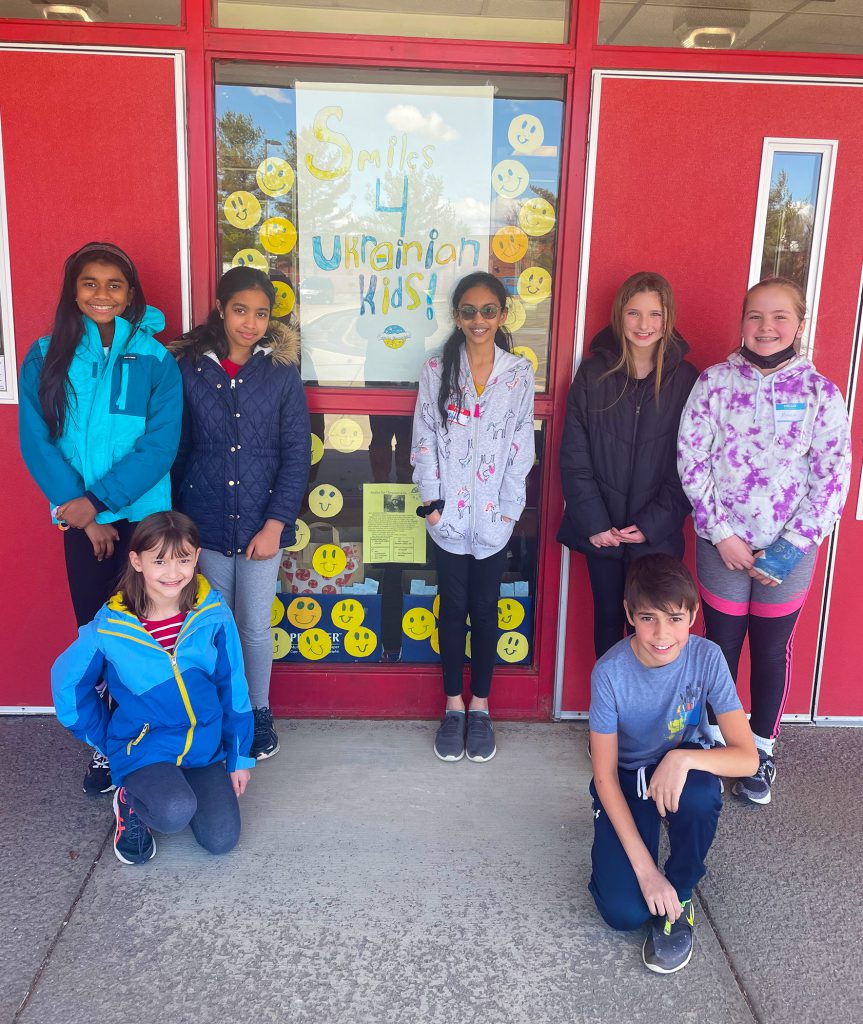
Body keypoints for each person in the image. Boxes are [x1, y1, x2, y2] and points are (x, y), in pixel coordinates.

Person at [677, 276, 851, 805]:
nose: (766, 327)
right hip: (721, 545)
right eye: (755, 315)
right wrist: (723, 534)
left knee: (771, 650)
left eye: (779, 317)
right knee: (721, 645)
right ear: (742, 322)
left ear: (800, 324)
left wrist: (788, 546)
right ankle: (711, 740)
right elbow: (691, 458)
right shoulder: (713, 383)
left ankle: (760, 747)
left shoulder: (821, 393)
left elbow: (834, 475)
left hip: (789, 552)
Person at [18, 241, 182, 795]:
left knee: (150, 633)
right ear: (73, 290)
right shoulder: (45, 356)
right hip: (82, 524)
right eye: (90, 283)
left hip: (145, 523)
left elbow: (159, 447)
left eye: (114, 284)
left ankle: (147, 738)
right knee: (97, 633)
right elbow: (38, 444)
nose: (102, 294)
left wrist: (102, 503)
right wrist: (85, 516)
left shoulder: (156, 360)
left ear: (131, 294)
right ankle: (106, 748)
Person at [51, 512, 255, 865]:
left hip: (203, 748)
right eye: (159, 561)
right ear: (137, 561)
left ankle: (176, 787)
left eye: (183, 559)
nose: (172, 572)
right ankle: (129, 802)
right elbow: (67, 684)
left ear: (196, 558)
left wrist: (239, 756)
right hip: (146, 748)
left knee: (221, 840)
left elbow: (233, 685)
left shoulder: (213, 613)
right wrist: (109, 740)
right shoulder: (111, 627)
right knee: (174, 812)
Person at [589, 554, 758, 974]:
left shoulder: (708, 657)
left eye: (675, 618)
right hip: (627, 779)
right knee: (624, 913)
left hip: (678, 768)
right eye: (647, 618)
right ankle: (644, 869)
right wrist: (646, 872)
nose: (662, 635)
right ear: (629, 614)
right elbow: (604, 775)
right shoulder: (609, 673)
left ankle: (680, 890)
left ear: (694, 616)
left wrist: (682, 758)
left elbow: (747, 758)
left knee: (701, 791)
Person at [171, 267, 310, 761]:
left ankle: (257, 711)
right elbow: (178, 449)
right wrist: (175, 526)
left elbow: (296, 455)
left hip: (260, 529)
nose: (249, 323)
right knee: (208, 623)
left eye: (261, 313)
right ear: (221, 308)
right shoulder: (190, 370)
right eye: (239, 310)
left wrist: (276, 524)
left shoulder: (280, 376)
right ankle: (216, 711)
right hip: (203, 526)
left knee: (253, 625)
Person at [411, 271, 535, 763]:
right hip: (448, 518)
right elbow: (423, 437)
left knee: (485, 611)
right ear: (456, 316)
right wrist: (433, 500)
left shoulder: (518, 372)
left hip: (494, 518)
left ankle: (480, 705)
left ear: (502, 316)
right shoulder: (437, 368)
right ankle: (453, 706)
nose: (479, 320)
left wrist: (508, 508)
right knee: (452, 610)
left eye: (488, 311)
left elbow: (521, 444)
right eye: (469, 311)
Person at [558, 271, 699, 658]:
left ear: (668, 318)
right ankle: (611, 712)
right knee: (607, 618)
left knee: (657, 624)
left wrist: (653, 524)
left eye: (655, 314)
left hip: (656, 536)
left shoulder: (687, 380)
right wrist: (594, 522)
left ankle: (651, 712)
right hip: (603, 532)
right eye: (634, 313)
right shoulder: (593, 374)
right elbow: (574, 453)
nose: (644, 324)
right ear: (619, 315)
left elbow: (691, 462)